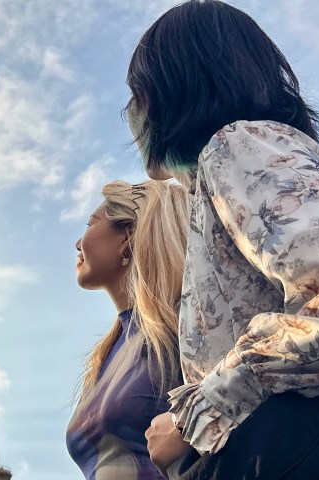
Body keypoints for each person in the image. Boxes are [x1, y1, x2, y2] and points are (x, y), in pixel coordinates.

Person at [126, 2, 319, 478]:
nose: (130, 113)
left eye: (136, 92)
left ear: (174, 86)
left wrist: (198, 413)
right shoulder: (274, 153)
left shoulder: (237, 144)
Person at [66, 179, 190, 479]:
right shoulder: (109, 352)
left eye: (90, 223)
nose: (77, 242)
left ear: (128, 235)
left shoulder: (183, 326)